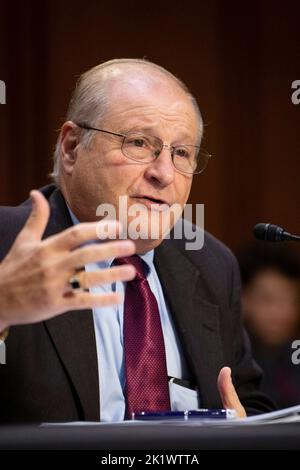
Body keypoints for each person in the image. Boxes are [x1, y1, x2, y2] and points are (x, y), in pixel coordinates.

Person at [0, 58, 274, 423]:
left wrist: (243, 435)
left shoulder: (211, 265)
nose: (163, 173)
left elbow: (251, 405)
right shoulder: (7, 244)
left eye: (181, 153)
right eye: (139, 143)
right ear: (71, 147)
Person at [0, 189, 136, 336]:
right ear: (70, 164)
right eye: (141, 163)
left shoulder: (163, 251)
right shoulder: (6, 236)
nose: (163, 176)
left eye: (166, 163)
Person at [238, 243, 300, 408]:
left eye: (291, 301)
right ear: (242, 299)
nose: (283, 313)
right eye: (269, 300)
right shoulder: (228, 362)